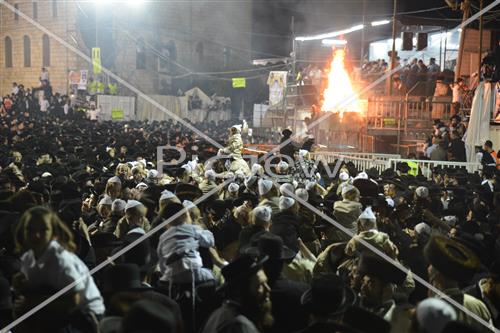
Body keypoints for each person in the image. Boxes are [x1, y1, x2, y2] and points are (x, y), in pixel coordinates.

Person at [13, 206, 105, 331]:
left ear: (53, 234)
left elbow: (75, 300)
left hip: (85, 317)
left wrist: (32, 302)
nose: (36, 235)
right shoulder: (29, 257)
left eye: (43, 230)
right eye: (30, 230)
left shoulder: (61, 259)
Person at [200, 255, 273, 333]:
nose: (268, 289)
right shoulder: (240, 326)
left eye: (266, 282)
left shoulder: (216, 315)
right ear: (240, 290)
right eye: (259, 285)